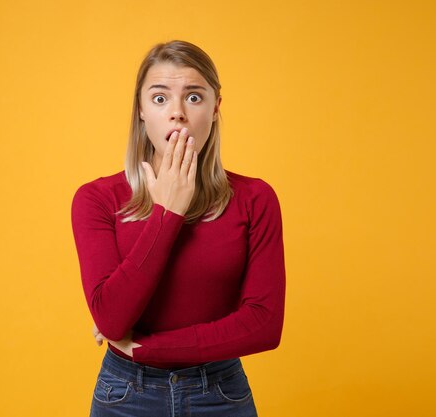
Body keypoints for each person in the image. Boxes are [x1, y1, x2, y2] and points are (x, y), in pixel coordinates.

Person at [71, 39, 286, 417]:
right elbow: (112, 318)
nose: (177, 114)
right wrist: (167, 212)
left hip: (221, 394)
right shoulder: (96, 199)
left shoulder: (255, 198)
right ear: (140, 110)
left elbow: (263, 325)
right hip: (125, 395)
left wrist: (149, 347)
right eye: (159, 99)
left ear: (216, 108)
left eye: (193, 97)